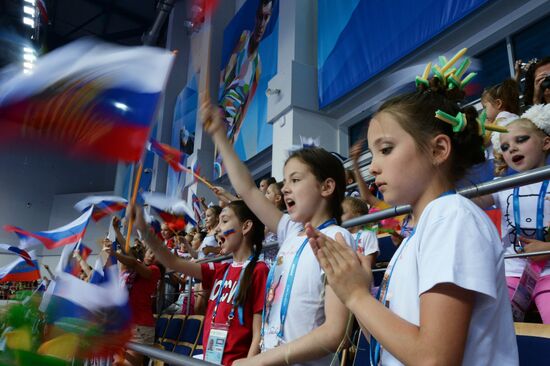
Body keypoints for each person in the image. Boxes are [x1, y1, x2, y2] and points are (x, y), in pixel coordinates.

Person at [308, 72, 519, 365]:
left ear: (438, 149)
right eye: (371, 155)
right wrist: (350, 286)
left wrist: (358, 297)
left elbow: (434, 358)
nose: (375, 169)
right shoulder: (420, 232)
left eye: (386, 150)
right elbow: (391, 346)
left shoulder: (452, 218)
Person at [202, 101, 353, 366]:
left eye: (295, 180)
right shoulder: (291, 231)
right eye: (285, 182)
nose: (285, 189)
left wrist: (263, 360)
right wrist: (219, 136)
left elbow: (334, 333)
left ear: (327, 187)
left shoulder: (338, 239)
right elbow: (248, 190)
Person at [126, 200, 269, 366]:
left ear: (245, 227)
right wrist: (144, 229)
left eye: (224, 221)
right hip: (209, 359)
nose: (219, 228)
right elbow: (173, 262)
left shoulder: (259, 270)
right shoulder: (219, 269)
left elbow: (258, 333)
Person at [475, 104, 550, 323]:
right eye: (505, 147)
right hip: (512, 270)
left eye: (521, 140)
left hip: (548, 272)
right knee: (490, 322)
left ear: (546, 143)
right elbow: (469, 200)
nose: (512, 149)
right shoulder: (502, 184)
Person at [218, 0, 275, 147]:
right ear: (255, 17)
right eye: (260, 16)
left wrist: (235, 135)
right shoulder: (243, 38)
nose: (262, 23)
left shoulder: (258, 66)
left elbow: (246, 106)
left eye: (267, 17)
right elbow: (223, 77)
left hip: (232, 121)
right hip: (220, 112)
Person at [104, 239, 161, 366]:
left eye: (156, 254)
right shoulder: (126, 275)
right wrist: (116, 231)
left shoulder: (154, 270)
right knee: (117, 363)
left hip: (140, 327)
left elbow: (134, 262)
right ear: (144, 254)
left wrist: (114, 253)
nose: (152, 256)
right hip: (124, 326)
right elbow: (129, 255)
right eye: (150, 252)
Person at [341, 197, 378, 267]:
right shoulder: (342, 235)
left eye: (342, 212)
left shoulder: (368, 234)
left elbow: (370, 263)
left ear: (357, 215)